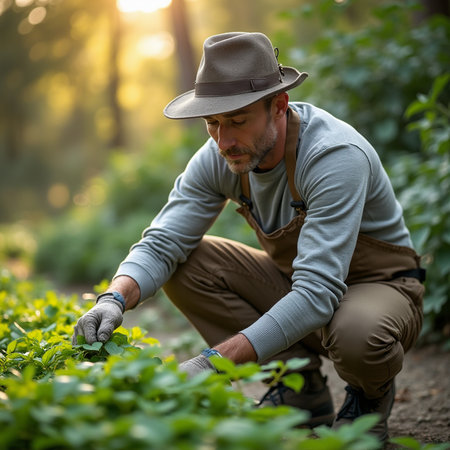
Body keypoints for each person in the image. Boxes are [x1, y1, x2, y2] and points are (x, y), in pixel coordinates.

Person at [72, 32, 425, 441]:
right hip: (304, 288)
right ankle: (300, 392)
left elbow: (317, 292)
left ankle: (368, 396)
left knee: (358, 333)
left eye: (237, 121)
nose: (224, 141)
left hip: (380, 290)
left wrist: (214, 361)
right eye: (212, 123)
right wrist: (113, 298)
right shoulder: (222, 154)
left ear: (279, 105)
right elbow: (163, 241)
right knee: (188, 263)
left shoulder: (333, 155)